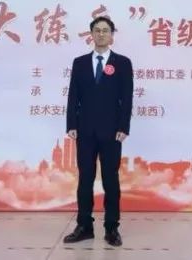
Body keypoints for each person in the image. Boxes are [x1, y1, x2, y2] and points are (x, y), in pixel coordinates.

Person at [63, 16, 133, 247]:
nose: (101, 34)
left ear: (112, 35)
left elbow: (127, 98)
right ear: (91, 34)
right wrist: (71, 124)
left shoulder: (122, 63)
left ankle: (111, 227)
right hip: (84, 131)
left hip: (112, 132)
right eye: (97, 30)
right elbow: (73, 96)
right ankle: (84, 226)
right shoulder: (80, 63)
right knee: (85, 178)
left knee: (111, 180)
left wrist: (123, 127)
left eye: (105, 30)